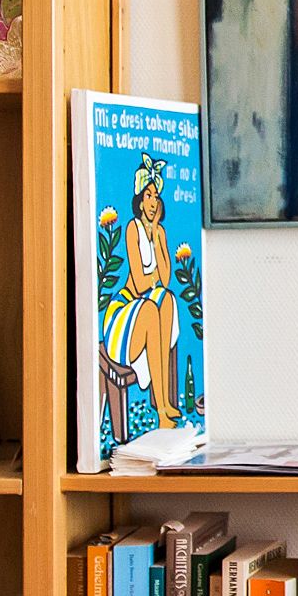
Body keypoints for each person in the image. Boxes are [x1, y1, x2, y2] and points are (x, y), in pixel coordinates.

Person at [102, 154, 184, 430]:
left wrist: (158, 235)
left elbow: (166, 280)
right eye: (148, 195)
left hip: (145, 306)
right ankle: (161, 411)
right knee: (150, 308)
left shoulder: (158, 232)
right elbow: (138, 283)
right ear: (139, 200)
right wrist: (155, 279)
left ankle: (164, 402)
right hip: (123, 314)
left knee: (167, 300)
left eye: (156, 196)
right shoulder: (132, 229)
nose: (152, 202)